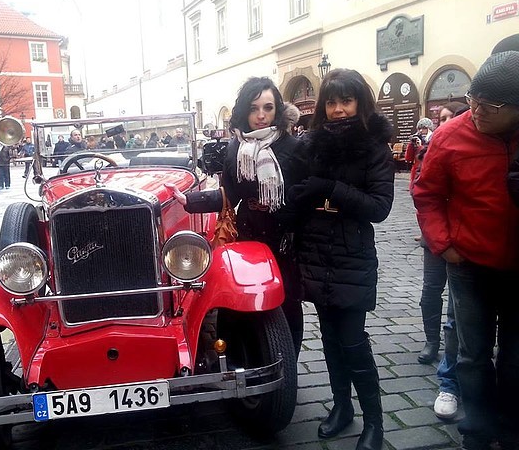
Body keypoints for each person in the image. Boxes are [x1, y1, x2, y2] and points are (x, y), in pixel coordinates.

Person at [413, 51, 519, 450]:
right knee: (472, 355)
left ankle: (509, 426)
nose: (476, 111)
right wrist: (444, 244)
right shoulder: (449, 136)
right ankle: (476, 428)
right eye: (473, 100)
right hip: (469, 264)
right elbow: (426, 194)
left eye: (490, 107)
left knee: (515, 356)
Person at [286, 68, 394, 450]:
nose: (338, 109)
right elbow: (296, 191)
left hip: (351, 254)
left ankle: (374, 422)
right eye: (331, 102)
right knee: (330, 337)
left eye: (346, 101)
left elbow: (379, 207)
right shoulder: (311, 144)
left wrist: (330, 188)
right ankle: (341, 406)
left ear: (360, 102)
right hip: (316, 251)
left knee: (353, 340)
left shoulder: (374, 147)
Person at [166, 76, 305, 357]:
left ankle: (287, 361)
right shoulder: (236, 148)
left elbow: (306, 192)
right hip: (249, 236)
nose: (261, 115)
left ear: (277, 109)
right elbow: (230, 195)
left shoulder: (293, 147)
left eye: (268, 107)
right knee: (240, 301)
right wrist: (189, 200)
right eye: (254, 108)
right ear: (244, 111)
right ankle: (239, 360)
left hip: (285, 238)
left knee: (287, 304)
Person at [410, 102, 468, 421]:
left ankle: (452, 353)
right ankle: (431, 341)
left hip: (463, 238)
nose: (442, 123)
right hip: (435, 236)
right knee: (431, 290)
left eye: (448, 118)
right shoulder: (429, 148)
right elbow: (419, 187)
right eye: (440, 118)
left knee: (456, 306)